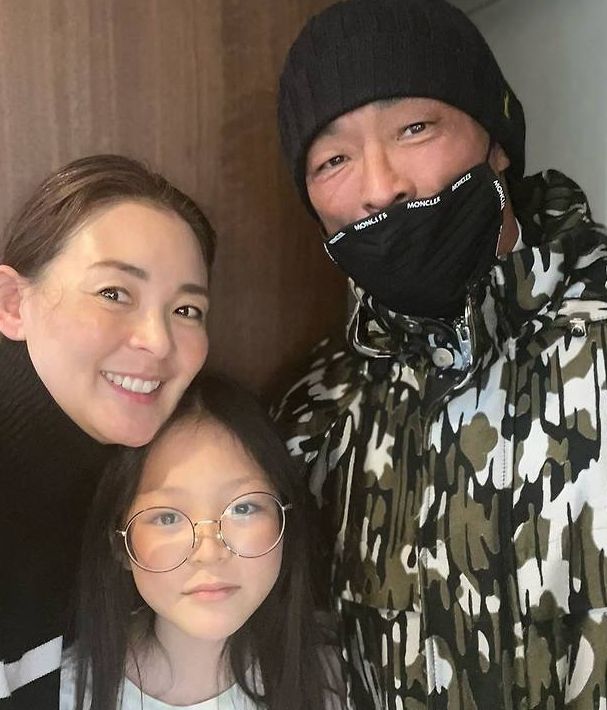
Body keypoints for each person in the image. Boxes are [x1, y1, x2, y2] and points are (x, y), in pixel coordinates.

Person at [273, 0, 607, 707]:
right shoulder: (315, 413)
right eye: (333, 159)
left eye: (414, 128)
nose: (380, 187)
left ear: (496, 140)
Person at [0, 154, 216, 709]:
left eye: (187, 310)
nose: (158, 341)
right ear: (13, 304)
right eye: (114, 294)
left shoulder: (141, 494)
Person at [60, 375, 343, 710]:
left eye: (243, 508)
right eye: (168, 518)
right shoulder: (60, 694)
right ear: (120, 543)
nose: (209, 553)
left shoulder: (335, 677)